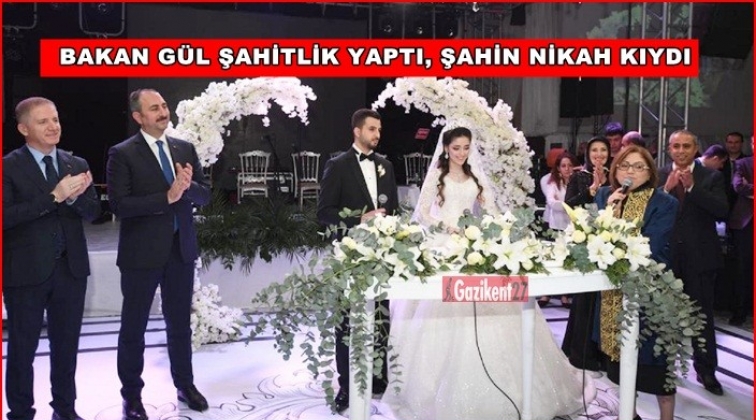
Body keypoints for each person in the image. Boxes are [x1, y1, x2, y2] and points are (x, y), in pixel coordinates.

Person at [382, 127, 594, 420]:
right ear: (446, 149)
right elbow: (423, 214)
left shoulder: (475, 176)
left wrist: (493, 228)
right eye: (456, 148)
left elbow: (491, 210)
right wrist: (447, 227)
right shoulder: (437, 175)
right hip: (444, 243)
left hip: (472, 241)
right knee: (443, 307)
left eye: (466, 147)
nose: (461, 153)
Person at [106, 89, 212, 420]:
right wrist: (166, 197)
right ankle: (131, 397)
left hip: (180, 251)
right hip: (141, 254)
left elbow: (205, 196)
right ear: (138, 117)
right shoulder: (123, 153)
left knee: (180, 324)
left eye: (164, 106)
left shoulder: (184, 148)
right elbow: (119, 205)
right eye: (154, 108)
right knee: (133, 328)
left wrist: (188, 188)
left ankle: (185, 385)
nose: (163, 112)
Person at [3, 97, 101, 420]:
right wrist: (54, 197)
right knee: (22, 350)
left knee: (66, 347)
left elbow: (94, 212)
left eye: (55, 119)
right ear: (23, 128)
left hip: (70, 271)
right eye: (43, 121)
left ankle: (65, 409)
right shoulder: (8, 166)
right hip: (25, 273)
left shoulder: (76, 163)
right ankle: (20, 413)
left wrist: (74, 199)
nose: (53, 126)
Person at [316, 108, 399, 413]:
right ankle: (346, 387)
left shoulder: (386, 166)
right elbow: (324, 214)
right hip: (349, 257)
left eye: (379, 129)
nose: (377, 134)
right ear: (357, 131)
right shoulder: (337, 165)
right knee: (346, 323)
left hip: (381, 255)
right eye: (372, 129)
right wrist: (358, 220)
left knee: (381, 317)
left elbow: (394, 211)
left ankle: (378, 378)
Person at [595, 145, 679, 420]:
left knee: (656, 364)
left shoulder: (664, 202)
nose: (629, 171)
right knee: (621, 366)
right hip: (613, 292)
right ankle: (629, 415)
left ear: (650, 171)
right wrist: (609, 213)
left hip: (651, 291)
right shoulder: (605, 195)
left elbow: (652, 245)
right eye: (624, 165)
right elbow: (594, 237)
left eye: (638, 166)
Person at [658, 130, 729, 396]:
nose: (681, 151)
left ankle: (706, 370)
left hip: (700, 258)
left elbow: (722, 211)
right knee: (662, 316)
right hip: (666, 258)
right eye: (676, 146)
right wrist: (665, 190)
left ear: (695, 148)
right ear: (669, 149)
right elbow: (646, 210)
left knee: (701, 317)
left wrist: (692, 188)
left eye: (686, 146)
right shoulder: (659, 174)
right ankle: (662, 368)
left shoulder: (711, 176)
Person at [562, 136, 609, 372]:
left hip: (609, 241)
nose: (599, 155)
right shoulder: (579, 177)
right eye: (594, 150)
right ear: (588, 154)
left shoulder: (616, 175)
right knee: (586, 298)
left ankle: (604, 352)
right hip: (586, 241)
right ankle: (581, 353)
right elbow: (569, 205)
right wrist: (592, 190)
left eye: (603, 150)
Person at [539, 151, 578, 307]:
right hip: (555, 226)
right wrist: (568, 205)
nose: (567, 169)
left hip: (572, 227)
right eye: (563, 166)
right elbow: (552, 203)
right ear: (558, 168)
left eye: (570, 165)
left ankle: (564, 295)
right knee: (551, 258)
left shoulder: (577, 182)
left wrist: (563, 204)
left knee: (567, 260)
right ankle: (545, 294)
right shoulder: (553, 183)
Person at [727, 140, 753, 326]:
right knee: (742, 269)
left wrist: (750, 188)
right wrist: (746, 188)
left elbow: (745, 188)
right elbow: (738, 186)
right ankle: (740, 312)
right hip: (746, 224)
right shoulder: (743, 163)